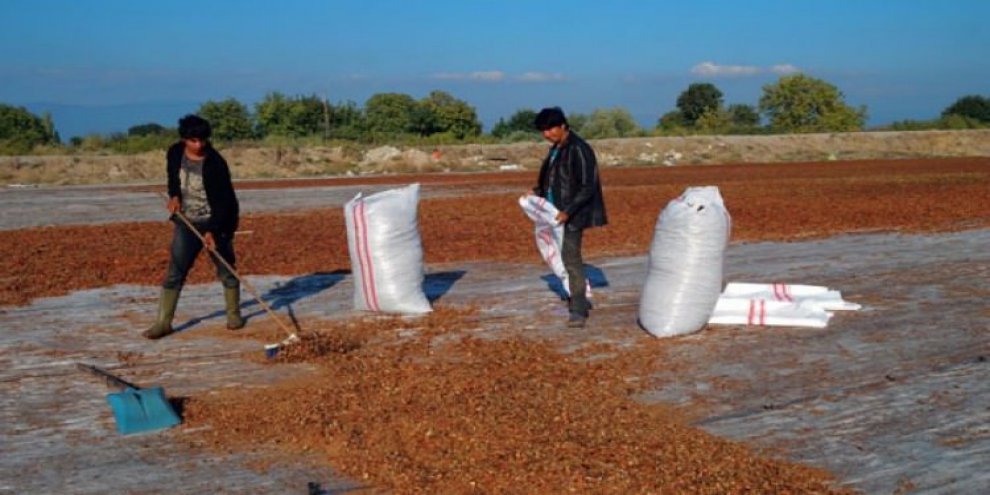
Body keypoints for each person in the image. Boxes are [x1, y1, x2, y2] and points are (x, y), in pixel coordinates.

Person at [143, 114, 244, 339]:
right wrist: (175, 196)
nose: (199, 145)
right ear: (184, 140)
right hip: (187, 222)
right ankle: (163, 322)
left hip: (218, 221)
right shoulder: (175, 153)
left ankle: (234, 314)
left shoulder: (216, 164)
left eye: (203, 140)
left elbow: (224, 203)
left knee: (226, 269)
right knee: (175, 272)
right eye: (193, 141)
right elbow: (173, 179)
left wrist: (213, 231)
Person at [529, 107, 607, 328]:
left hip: (572, 216)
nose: (547, 134)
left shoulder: (579, 149)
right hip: (554, 214)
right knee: (563, 258)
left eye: (550, 128)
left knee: (571, 260)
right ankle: (578, 296)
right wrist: (536, 192)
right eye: (543, 130)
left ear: (563, 125)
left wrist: (568, 211)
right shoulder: (557, 149)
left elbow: (587, 186)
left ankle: (578, 309)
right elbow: (552, 179)